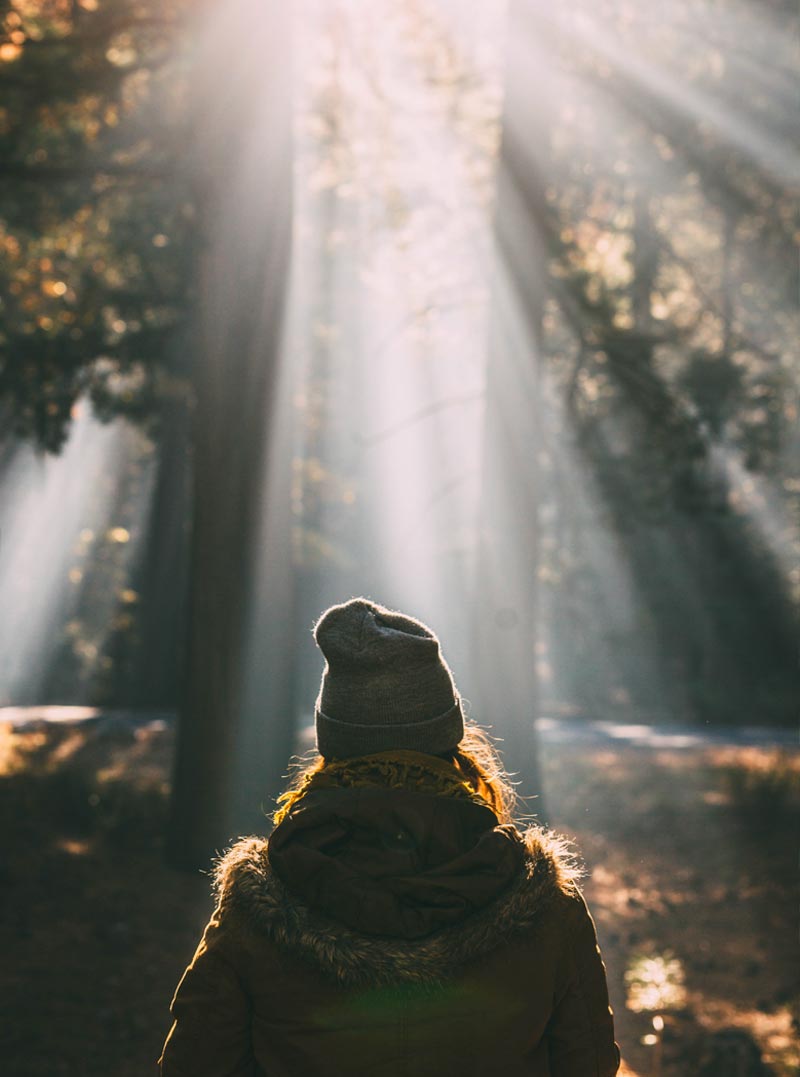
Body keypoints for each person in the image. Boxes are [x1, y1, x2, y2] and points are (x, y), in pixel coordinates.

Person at [159, 597, 621, 1076]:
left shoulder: (260, 906)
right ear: (450, 736)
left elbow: (196, 1064)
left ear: (332, 744)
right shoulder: (543, 903)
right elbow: (588, 1065)